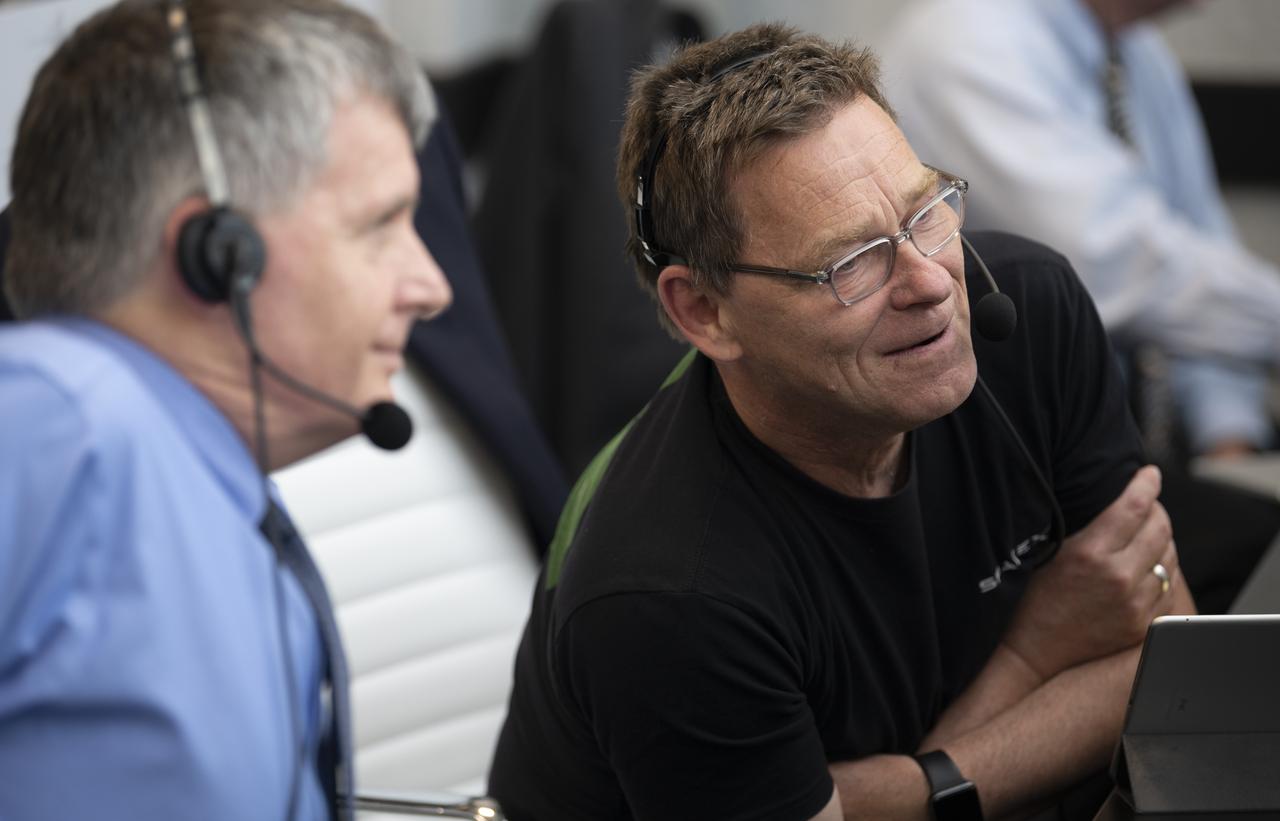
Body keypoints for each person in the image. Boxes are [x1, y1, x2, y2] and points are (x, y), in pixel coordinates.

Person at [488, 23, 1195, 821]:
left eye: (926, 208)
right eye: (850, 262)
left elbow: (1167, 674)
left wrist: (886, 794)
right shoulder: (669, 589)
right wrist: (1036, 655)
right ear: (705, 311)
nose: (930, 282)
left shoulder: (1030, 312)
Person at [0, 1, 448, 819]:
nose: (432, 286)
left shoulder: (208, 482)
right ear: (217, 254)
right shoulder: (54, 423)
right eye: (381, 224)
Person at [880, 0, 1280, 460]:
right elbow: (1128, 269)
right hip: (1014, 453)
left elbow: (1203, 257)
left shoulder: (1137, 53)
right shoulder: (970, 43)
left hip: (1142, 448)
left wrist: (1228, 431)